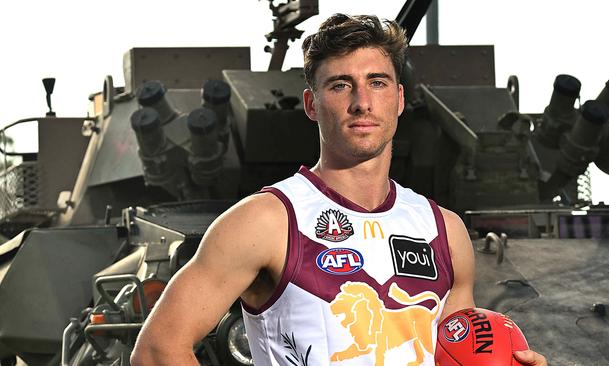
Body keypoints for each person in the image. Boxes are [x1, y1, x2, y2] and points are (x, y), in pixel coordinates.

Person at [131, 14, 547, 366]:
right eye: (341, 85)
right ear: (312, 104)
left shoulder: (445, 231)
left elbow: (459, 353)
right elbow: (156, 348)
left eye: (378, 83)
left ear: (399, 100)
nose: (362, 102)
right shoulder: (265, 220)